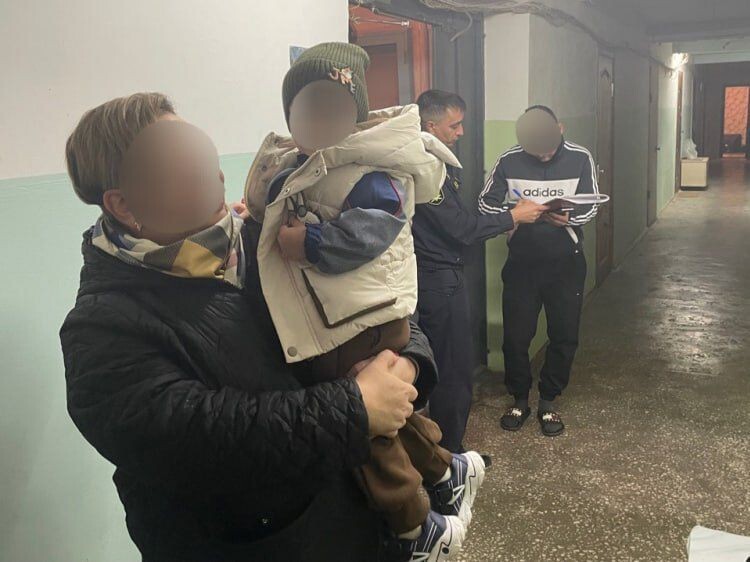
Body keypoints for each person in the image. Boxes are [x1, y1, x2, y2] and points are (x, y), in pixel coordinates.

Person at [60, 92, 440, 562]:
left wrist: (406, 365)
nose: (215, 175)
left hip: (356, 524)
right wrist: (357, 407)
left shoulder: (266, 240)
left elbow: (374, 305)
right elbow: (204, 441)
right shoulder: (101, 331)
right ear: (123, 204)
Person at [243, 43, 485, 561]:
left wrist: (309, 243)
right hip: (341, 316)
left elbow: (373, 232)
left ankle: (415, 525)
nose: (319, 121)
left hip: (367, 319)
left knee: (362, 421)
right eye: (307, 109)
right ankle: (447, 470)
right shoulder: (302, 163)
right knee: (387, 413)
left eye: (333, 109)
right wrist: (253, 215)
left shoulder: (372, 170)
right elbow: (275, 203)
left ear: (355, 116)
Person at [412, 90, 548, 452]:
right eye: (454, 125)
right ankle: (450, 458)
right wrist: (513, 216)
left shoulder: (435, 161)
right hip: (438, 281)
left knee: (448, 368)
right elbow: (461, 228)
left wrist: (509, 218)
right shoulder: (423, 168)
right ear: (430, 126)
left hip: (444, 277)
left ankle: (443, 451)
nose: (461, 132)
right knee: (454, 371)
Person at [478, 105, 600, 437]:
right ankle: (519, 398)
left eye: (548, 148)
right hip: (523, 264)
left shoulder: (580, 157)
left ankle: (549, 399)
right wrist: (514, 213)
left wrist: (569, 218)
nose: (543, 156)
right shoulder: (509, 160)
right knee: (516, 336)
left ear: (560, 128)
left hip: (566, 263)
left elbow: (592, 203)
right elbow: (485, 204)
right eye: (536, 150)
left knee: (564, 334)